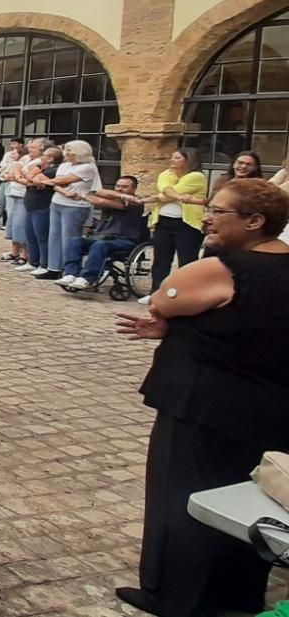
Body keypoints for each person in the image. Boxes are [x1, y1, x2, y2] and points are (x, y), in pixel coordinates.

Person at [113, 179, 289, 617]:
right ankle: (238, 595)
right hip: (268, 408)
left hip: (203, 405)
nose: (208, 217)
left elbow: (161, 300)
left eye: (219, 211)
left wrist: (173, 321)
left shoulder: (226, 266)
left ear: (255, 221)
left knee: (182, 498)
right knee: (248, 505)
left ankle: (173, 596)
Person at [57, 176, 152, 290]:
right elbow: (100, 193)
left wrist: (83, 195)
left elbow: (101, 200)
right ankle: (70, 274)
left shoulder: (135, 202)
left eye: (125, 187)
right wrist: (119, 195)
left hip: (125, 240)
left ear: (134, 189)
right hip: (102, 237)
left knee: (100, 245)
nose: (120, 189)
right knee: (74, 241)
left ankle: (87, 278)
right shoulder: (116, 197)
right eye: (118, 186)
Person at [33, 140, 102, 280]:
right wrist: (64, 192)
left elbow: (65, 180)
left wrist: (43, 181)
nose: (68, 154)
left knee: (69, 238)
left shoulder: (87, 167)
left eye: (72, 151)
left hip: (76, 206)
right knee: (54, 236)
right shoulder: (64, 165)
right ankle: (53, 267)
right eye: (67, 151)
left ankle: (69, 269)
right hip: (58, 201)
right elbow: (58, 183)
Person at [147, 147, 208, 300]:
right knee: (161, 259)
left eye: (177, 158)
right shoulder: (165, 174)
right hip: (164, 221)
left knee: (186, 260)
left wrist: (168, 195)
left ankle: (186, 294)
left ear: (189, 160)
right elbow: (165, 191)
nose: (172, 160)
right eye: (172, 157)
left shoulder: (197, 176)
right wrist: (179, 196)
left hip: (186, 224)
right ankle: (156, 292)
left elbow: (166, 194)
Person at [19, 143, 60, 275]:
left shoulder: (52, 171)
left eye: (45, 155)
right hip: (30, 205)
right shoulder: (40, 168)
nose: (41, 157)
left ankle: (44, 263)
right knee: (30, 235)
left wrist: (30, 178)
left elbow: (34, 180)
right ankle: (33, 261)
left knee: (42, 236)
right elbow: (29, 178)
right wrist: (30, 179)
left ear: (51, 159)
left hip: (42, 207)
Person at [0, 138, 35, 265]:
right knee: (12, 223)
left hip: (23, 195)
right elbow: (4, 175)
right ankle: (14, 251)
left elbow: (24, 177)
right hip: (12, 192)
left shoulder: (30, 163)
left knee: (21, 224)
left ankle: (25, 254)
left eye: (15, 152)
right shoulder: (15, 163)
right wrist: (13, 176)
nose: (12, 154)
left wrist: (14, 177)